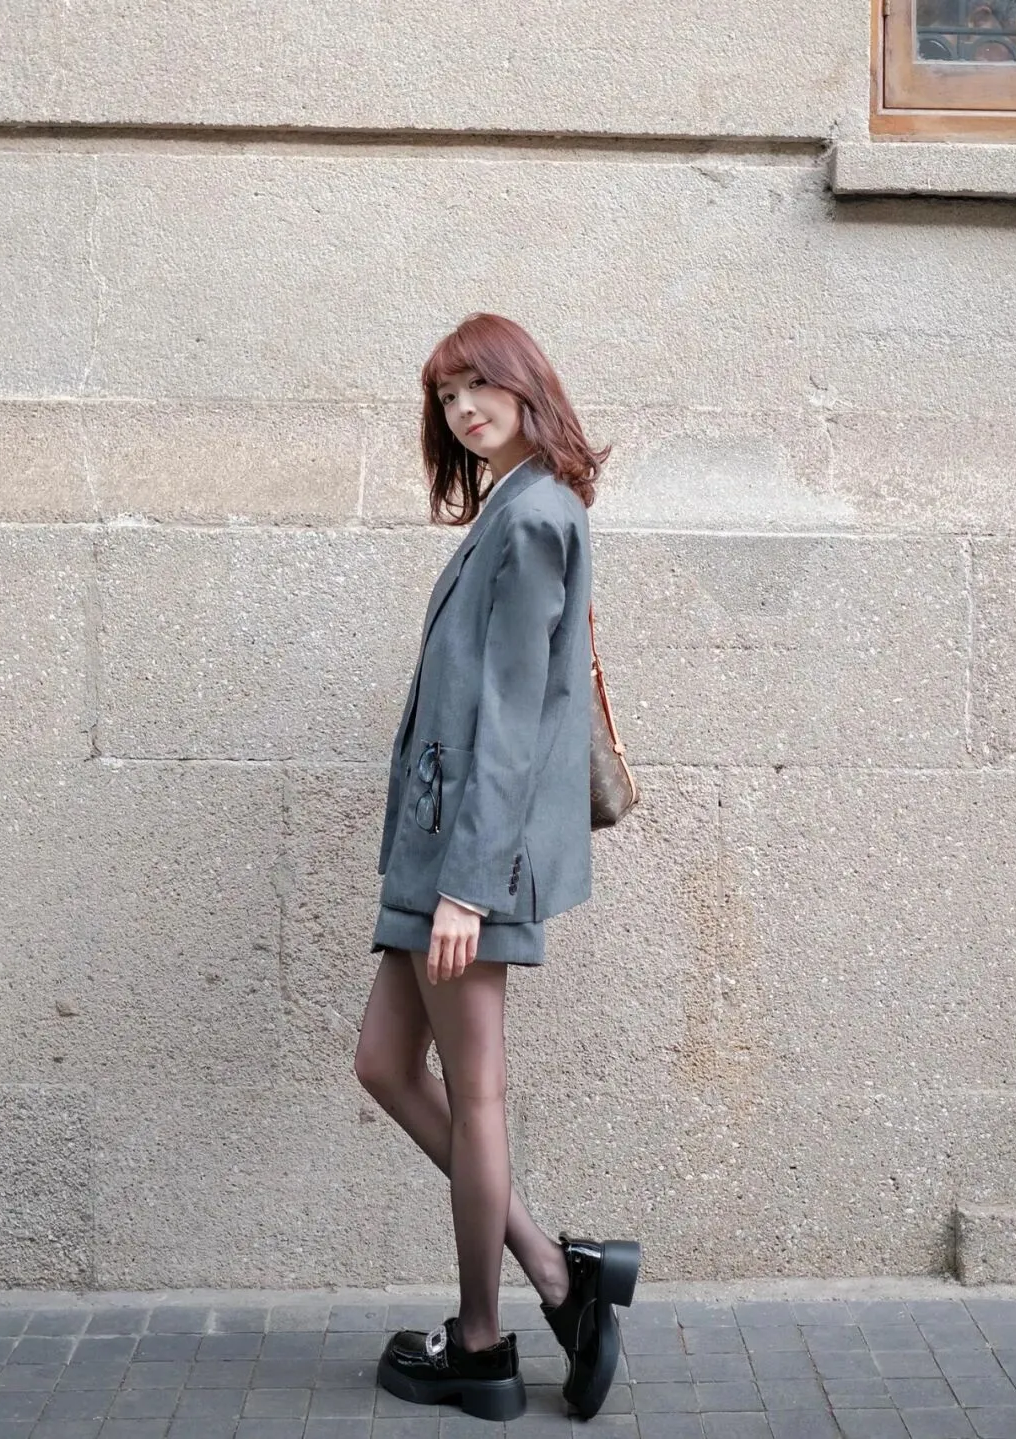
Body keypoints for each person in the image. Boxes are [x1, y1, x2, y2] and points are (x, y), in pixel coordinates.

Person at [354, 312, 641, 1424]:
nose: (463, 407)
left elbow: (515, 720)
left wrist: (467, 887)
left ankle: (481, 1344)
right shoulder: (516, 508)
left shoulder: (534, 518)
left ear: (527, 386)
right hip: (442, 854)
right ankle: (561, 1276)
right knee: (386, 1062)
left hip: (469, 865)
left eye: (479, 384)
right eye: (446, 394)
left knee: (476, 1096)